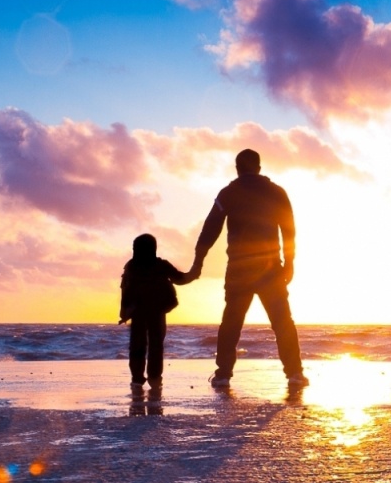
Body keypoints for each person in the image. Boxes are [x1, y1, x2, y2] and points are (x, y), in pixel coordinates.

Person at [190, 149, 308, 388]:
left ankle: (223, 374)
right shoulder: (277, 192)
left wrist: (198, 261)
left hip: (239, 269)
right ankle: (294, 373)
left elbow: (210, 228)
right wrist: (290, 263)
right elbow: (289, 230)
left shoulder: (229, 193)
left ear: (237, 168)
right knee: (282, 321)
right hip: (270, 268)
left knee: (231, 322)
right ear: (259, 168)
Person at [119, 233, 192, 387]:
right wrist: (194, 274)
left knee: (137, 345)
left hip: (138, 310)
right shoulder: (161, 265)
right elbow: (179, 279)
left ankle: (137, 378)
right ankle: (154, 378)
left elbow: (124, 289)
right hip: (157, 309)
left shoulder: (131, 265)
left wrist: (124, 311)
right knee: (156, 345)